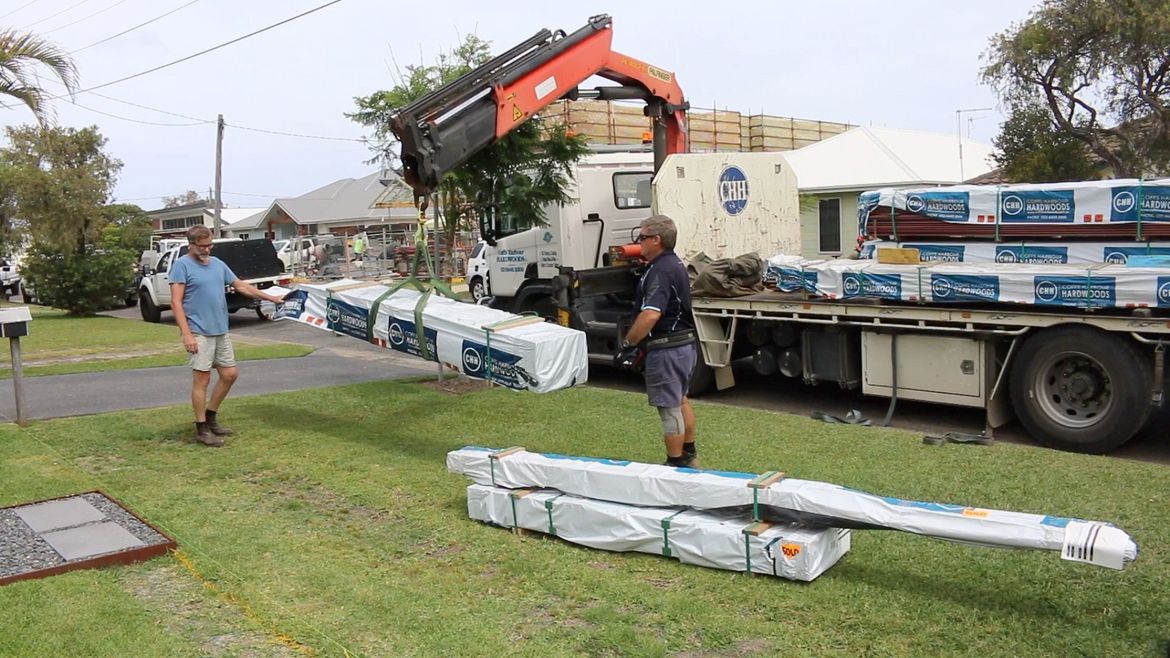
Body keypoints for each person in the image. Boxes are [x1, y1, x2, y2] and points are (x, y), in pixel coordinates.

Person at [171, 226, 287, 447]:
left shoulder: (218, 264)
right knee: (202, 380)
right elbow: (176, 302)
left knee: (230, 374)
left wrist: (271, 298)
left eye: (209, 245)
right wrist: (186, 334)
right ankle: (201, 429)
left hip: (220, 329)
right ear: (191, 245)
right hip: (198, 331)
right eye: (202, 246)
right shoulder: (181, 266)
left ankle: (211, 417)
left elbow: (240, 286)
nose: (207, 250)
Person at [616, 215, 699, 467]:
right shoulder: (673, 263)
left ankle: (674, 464)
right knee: (680, 399)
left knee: (669, 407)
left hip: (667, 348)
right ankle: (689, 455)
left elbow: (651, 314)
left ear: (656, 240)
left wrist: (628, 344)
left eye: (642, 237)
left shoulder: (661, 270)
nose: (638, 242)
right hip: (684, 345)